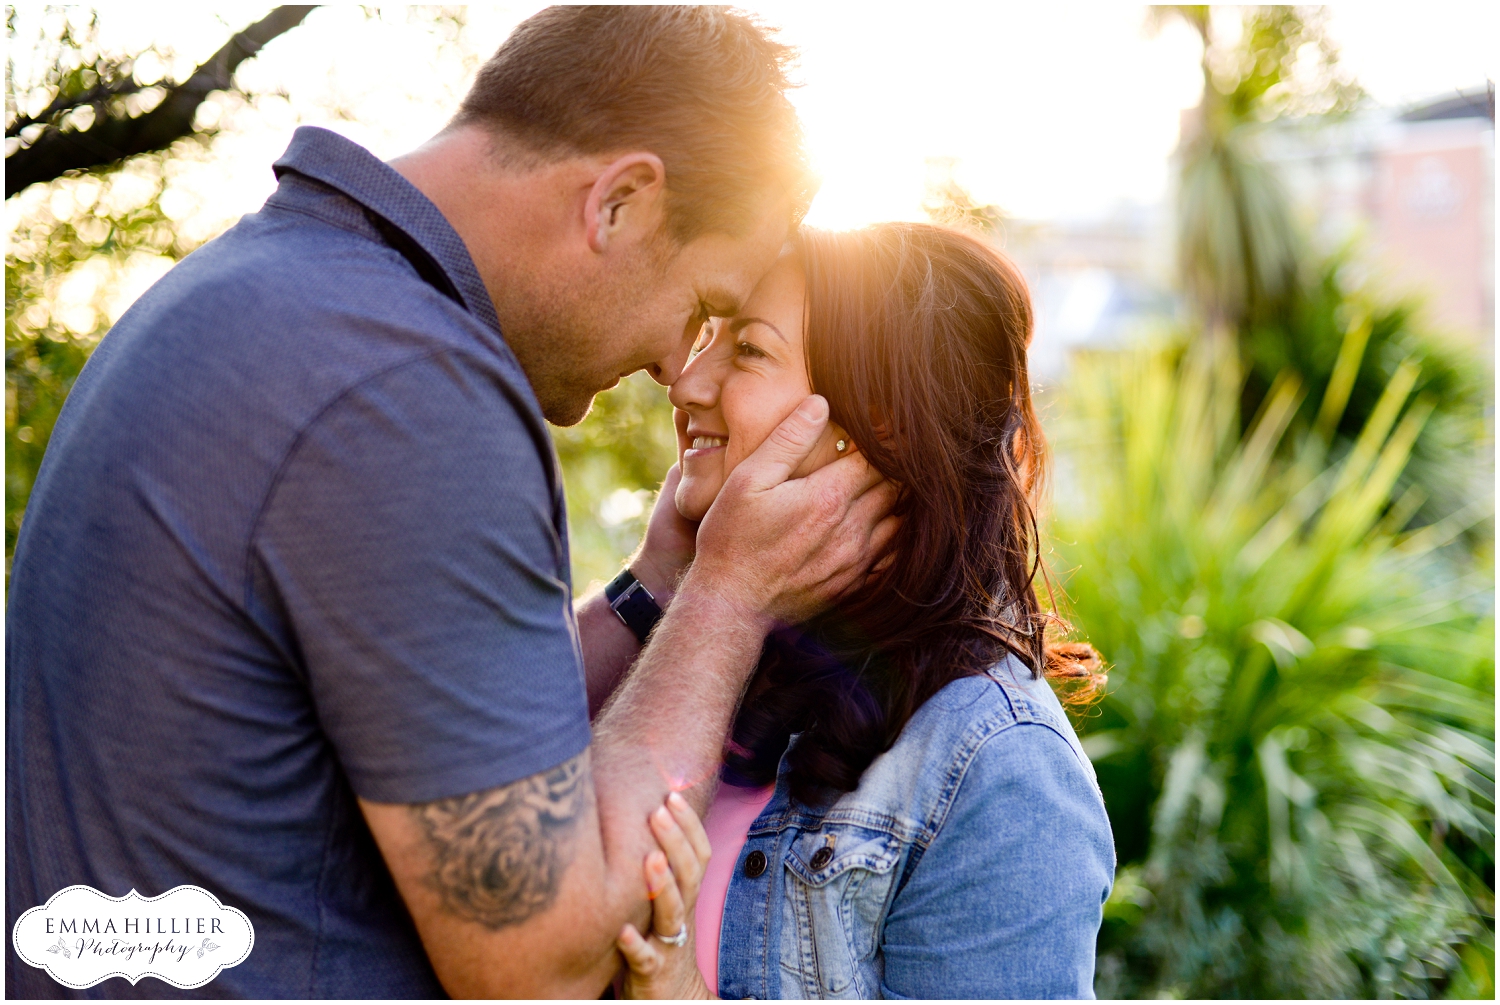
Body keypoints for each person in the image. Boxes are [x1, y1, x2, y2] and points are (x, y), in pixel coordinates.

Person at [5, 8, 896, 998]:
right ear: (621, 204)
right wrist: (728, 596)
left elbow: (443, 732)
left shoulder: (261, 296)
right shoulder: (410, 392)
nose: (669, 367)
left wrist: (656, 586)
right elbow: (543, 966)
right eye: (697, 310)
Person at [609, 223, 1117, 999]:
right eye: (708, 336)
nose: (686, 382)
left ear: (879, 422)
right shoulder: (722, 650)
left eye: (747, 350)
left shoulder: (1000, 767)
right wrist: (675, 580)